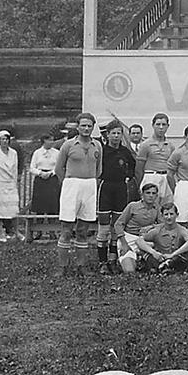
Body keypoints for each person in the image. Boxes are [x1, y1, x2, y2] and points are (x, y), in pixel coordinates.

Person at [55, 113, 103, 276]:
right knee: (67, 229)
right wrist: (68, 183)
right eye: (83, 125)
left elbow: (99, 170)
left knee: (83, 229)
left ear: (93, 127)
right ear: (77, 126)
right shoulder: (68, 145)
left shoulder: (97, 146)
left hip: (89, 186)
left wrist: (90, 183)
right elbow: (58, 169)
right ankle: (62, 266)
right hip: (71, 185)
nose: (86, 128)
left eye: (89, 125)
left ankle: (81, 266)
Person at [95, 121, 136, 270]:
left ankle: (113, 260)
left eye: (119, 133)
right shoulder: (102, 150)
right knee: (104, 228)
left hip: (120, 188)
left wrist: (128, 176)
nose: (116, 136)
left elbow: (132, 165)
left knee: (116, 227)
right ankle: (102, 262)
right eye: (113, 133)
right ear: (108, 134)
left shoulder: (125, 151)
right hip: (106, 187)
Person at [113, 182, 162, 274]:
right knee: (129, 271)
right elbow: (118, 224)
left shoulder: (157, 208)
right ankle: (128, 259)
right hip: (129, 238)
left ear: (156, 195)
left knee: (156, 268)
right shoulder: (133, 206)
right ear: (142, 194)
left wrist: (151, 226)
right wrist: (124, 244)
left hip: (145, 241)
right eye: (148, 193)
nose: (151, 196)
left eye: (153, 193)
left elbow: (163, 225)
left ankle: (144, 259)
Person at [134, 202, 188, 273]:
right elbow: (139, 240)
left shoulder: (182, 230)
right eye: (166, 214)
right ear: (162, 216)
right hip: (160, 258)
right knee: (142, 250)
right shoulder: (157, 230)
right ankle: (160, 267)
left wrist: (172, 254)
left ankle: (164, 267)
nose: (169, 217)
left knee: (187, 252)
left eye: (171, 214)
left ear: (177, 215)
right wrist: (154, 252)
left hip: (176, 257)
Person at [134, 113, 173, 203]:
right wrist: (140, 185)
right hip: (151, 176)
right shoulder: (145, 145)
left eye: (164, 124)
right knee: (151, 206)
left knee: (166, 206)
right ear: (153, 125)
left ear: (168, 126)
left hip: (165, 178)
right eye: (158, 124)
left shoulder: (170, 145)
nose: (161, 127)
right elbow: (139, 168)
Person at [28, 132, 61, 236]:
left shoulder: (57, 153)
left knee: (52, 205)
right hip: (40, 180)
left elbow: (60, 166)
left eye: (52, 140)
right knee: (40, 206)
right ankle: (38, 231)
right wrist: (40, 173)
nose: (52, 142)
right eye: (49, 140)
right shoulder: (37, 153)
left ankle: (52, 231)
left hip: (52, 180)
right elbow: (32, 168)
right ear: (44, 141)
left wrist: (51, 173)